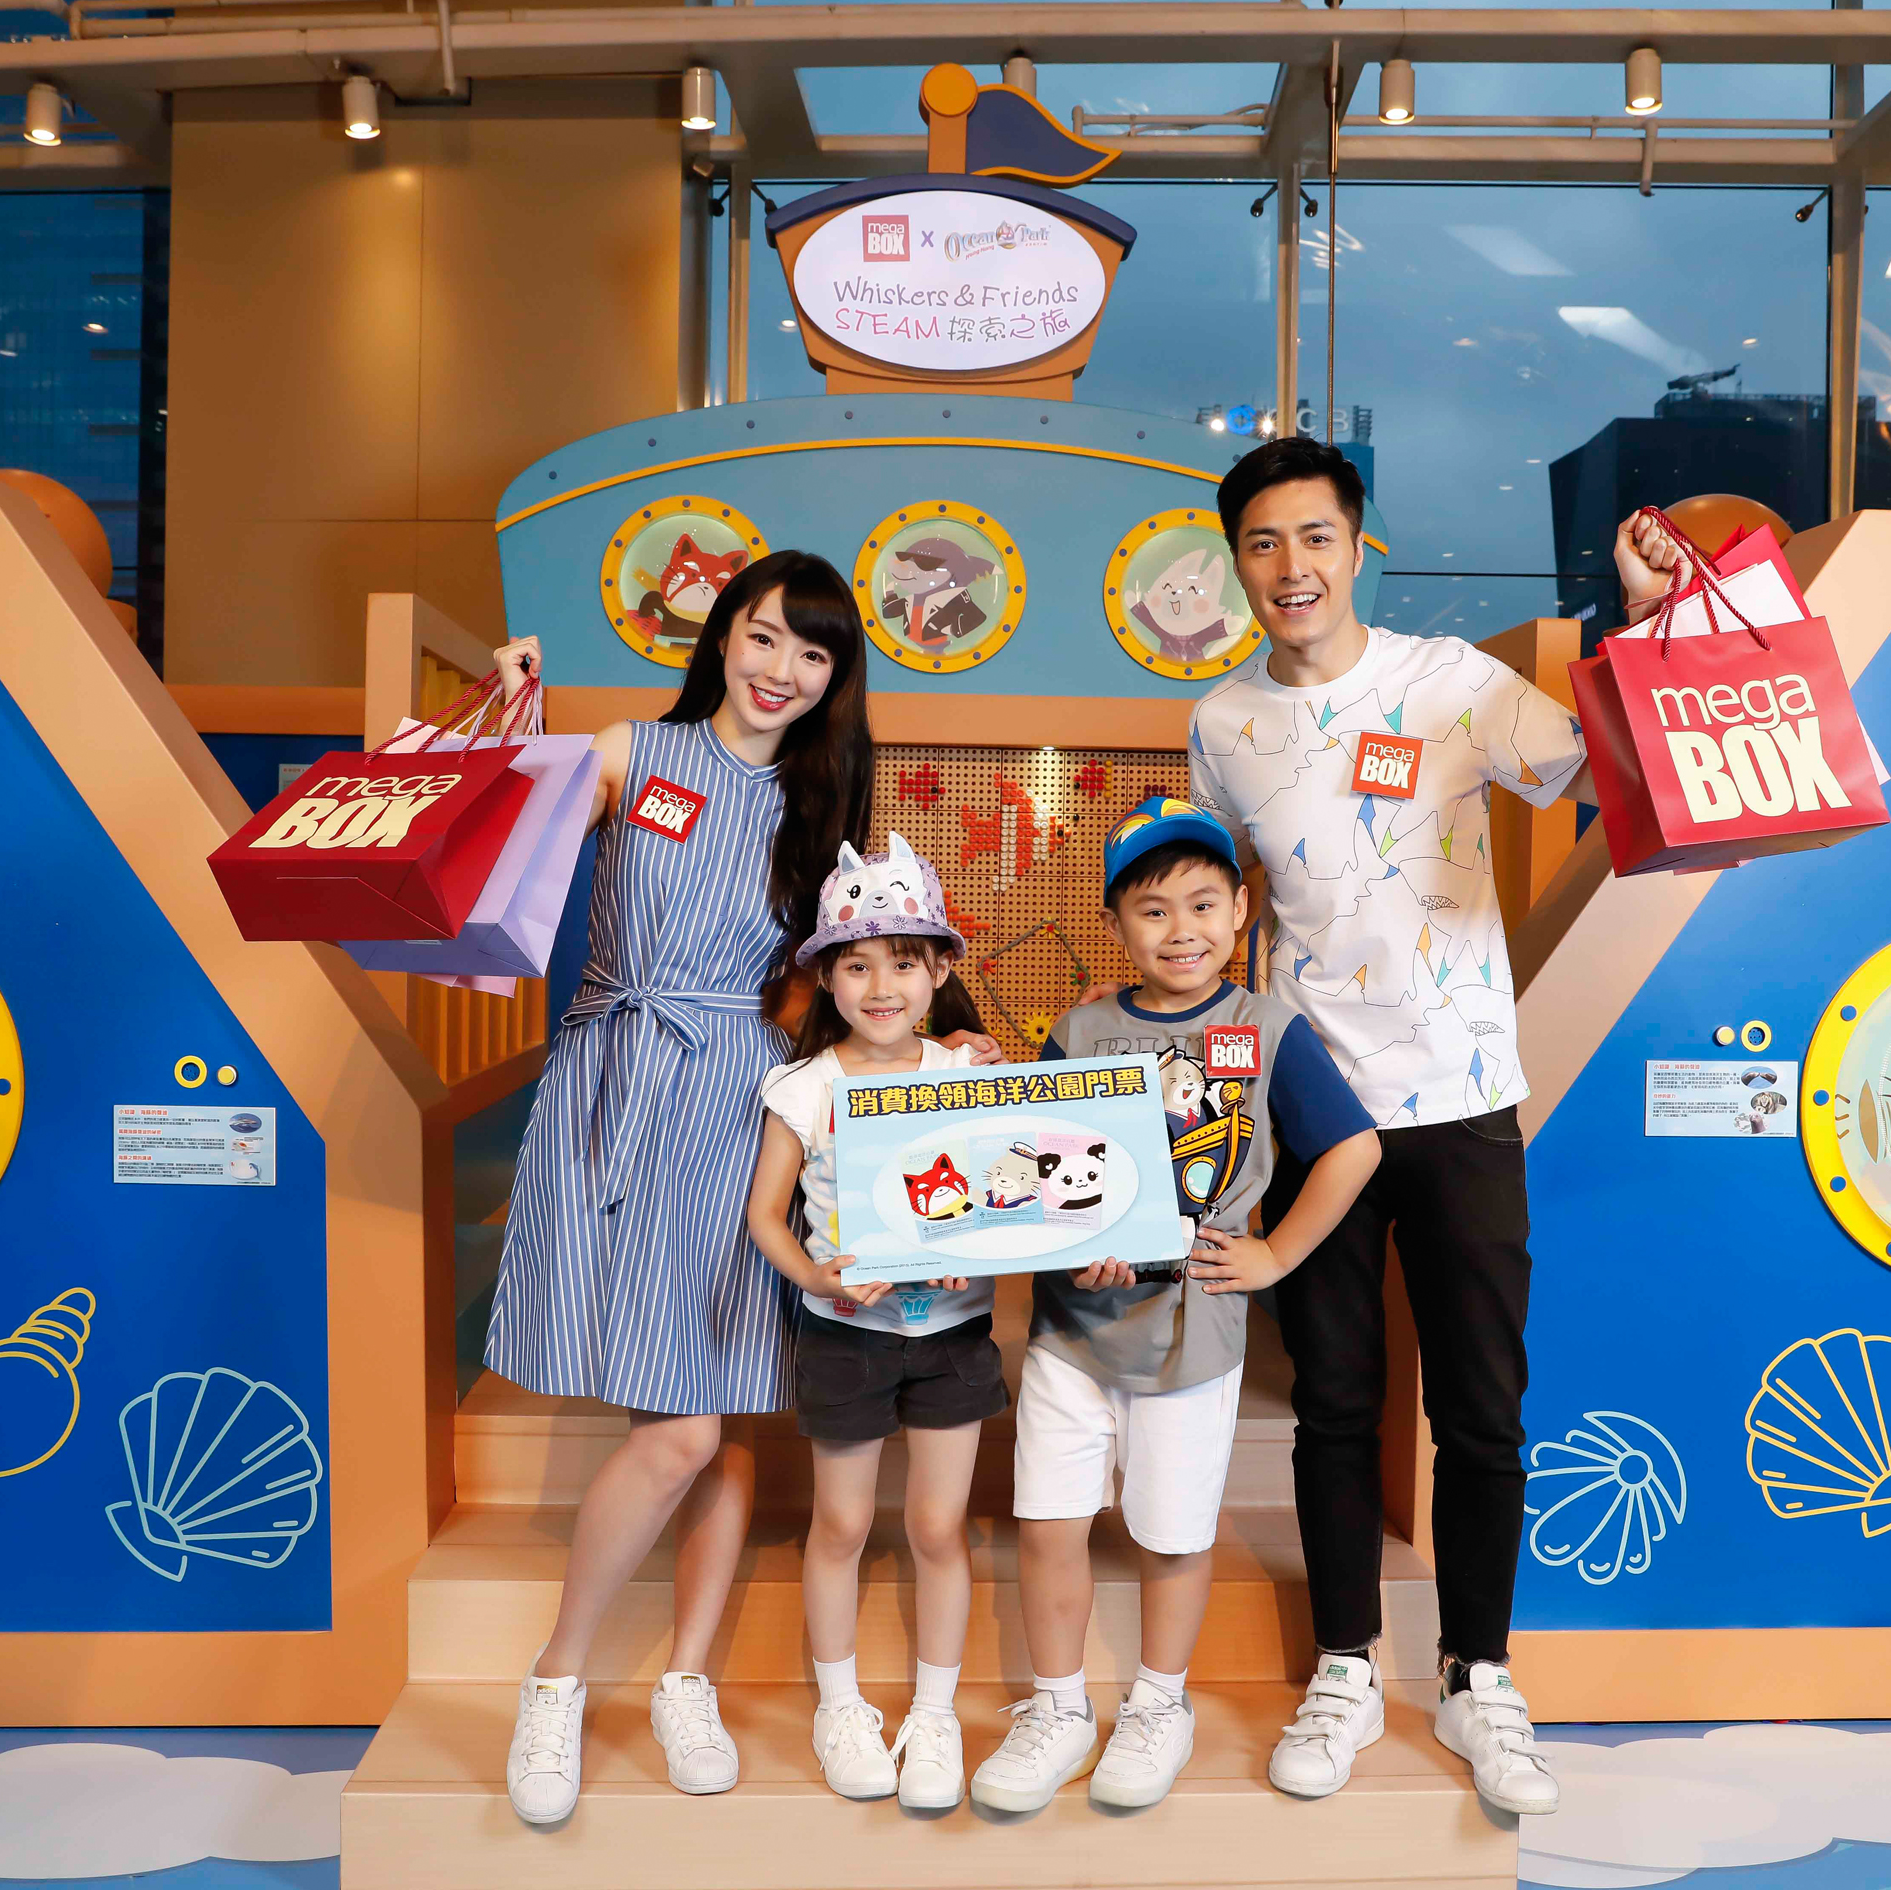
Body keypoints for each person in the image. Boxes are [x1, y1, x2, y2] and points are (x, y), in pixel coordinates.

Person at [1185, 437, 1619, 1816]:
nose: (1290, 567)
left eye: (1313, 537)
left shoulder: (1451, 682)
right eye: (1262, 543)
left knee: (1482, 1408)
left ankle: (1480, 1672)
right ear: (1237, 563)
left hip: (1464, 1091)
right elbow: (1218, 907)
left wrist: (1642, 616)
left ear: (1355, 544)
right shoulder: (1220, 724)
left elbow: (1588, 767)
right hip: (1313, 1104)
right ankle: (1345, 1665)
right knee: (1332, 1401)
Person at [482, 550, 909, 1827]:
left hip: (740, 1100)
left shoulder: (826, 805)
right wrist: (507, 718)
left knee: (714, 1413)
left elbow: (862, 970)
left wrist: (946, 1046)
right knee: (687, 1423)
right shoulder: (636, 753)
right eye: (765, 636)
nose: (783, 670)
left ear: (835, 677)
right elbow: (497, 838)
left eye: (813, 654)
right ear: (723, 633)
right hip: (613, 1080)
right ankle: (560, 1681)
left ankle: (679, 1682)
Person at [967, 796, 1378, 1814]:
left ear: (1241, 911)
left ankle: (1159, 1703)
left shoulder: (1266, 1029)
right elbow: (1038, 1168)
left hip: (1194, 1330)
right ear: (1116, 925)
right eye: (1152, 909)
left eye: (1202, 903)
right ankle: (1058, 1708)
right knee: (1050, 1522)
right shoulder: (1081, 1029)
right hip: (1072, 1333)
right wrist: (1071, 1250)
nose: (1180, 928)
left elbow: (1352, 1148)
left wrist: (1276, 1253)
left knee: (1171, 1531)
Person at [746, 836, 1000, 1811]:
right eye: (856, 965)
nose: (881, 985)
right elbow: (766, 1217)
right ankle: (839, 1706)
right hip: (844, 1333)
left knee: (937, 1526)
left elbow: (1004, 1190)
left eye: (903, 962)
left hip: (952, 1334)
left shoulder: (966, 1070)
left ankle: (934, 1714)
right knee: (843, 1521)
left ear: (938, 972)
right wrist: (816, 1275)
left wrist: (982, 1238)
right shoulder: (804, 1088)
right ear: (826, 978)